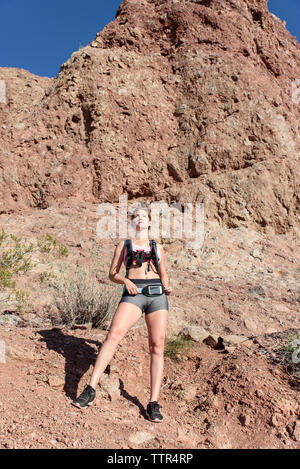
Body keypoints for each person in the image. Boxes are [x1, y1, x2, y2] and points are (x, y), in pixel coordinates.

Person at [72, 206, 172, 423]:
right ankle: (90, 389)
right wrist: (125, 281)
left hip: (157, 295)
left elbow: (164, 275)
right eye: (136, 216)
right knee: (113, 334)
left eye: (144, 216)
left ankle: (153, 402)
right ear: (132, 222)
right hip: (133, 292)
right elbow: (112, 274)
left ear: (150, 222)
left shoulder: (158, 247)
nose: (140, 219)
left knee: (157, 345)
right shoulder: (124, 245)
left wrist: (167, 287)